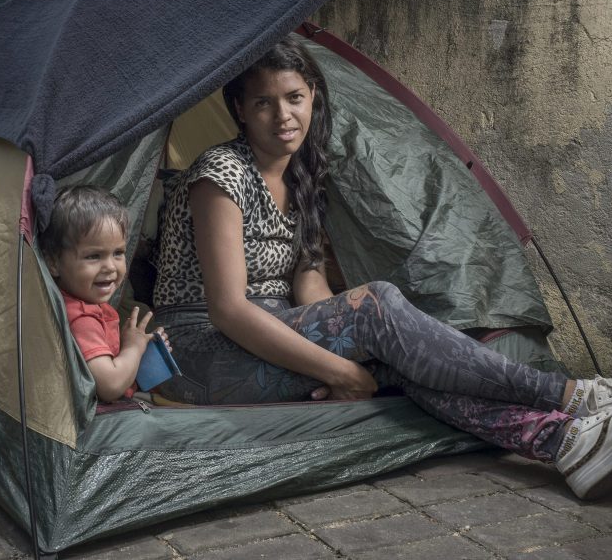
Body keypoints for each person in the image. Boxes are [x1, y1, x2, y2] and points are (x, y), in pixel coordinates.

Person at [153, 33, 612, 500]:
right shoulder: (220, 174)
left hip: (270, 329)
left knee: (395, 355)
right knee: (376, 304)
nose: (284, 116)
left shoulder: (302, 175)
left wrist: (355, 344)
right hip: (198, 353)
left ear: (313, 95)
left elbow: (308, 282)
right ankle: (569, 394)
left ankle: (566, 442)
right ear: (240, 110)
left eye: (294, 98)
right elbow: (228, 309)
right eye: (264, 103)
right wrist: (339, 368)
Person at [42, 185, 171, 402]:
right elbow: (110, 386)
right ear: (54, 262)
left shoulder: (92, 307)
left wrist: (143, 354)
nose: (110, 267)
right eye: (94, 256)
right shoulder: (81, 318)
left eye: (118, 253)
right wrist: (133, 348)